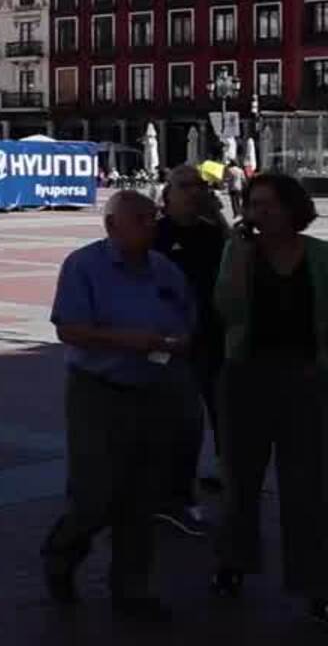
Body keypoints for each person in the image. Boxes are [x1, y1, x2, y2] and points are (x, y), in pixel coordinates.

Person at [41, 189, 197, 621]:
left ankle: (132, 592)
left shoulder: (164, 268)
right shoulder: (84, 266)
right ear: (113, 226)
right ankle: (62, 552)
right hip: (98, 390)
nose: (152, 227)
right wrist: (126, 340)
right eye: (142, 220)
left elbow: (186, 314)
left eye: (153, 218)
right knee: (96, 494)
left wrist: (182, 340)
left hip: (152, 389)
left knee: (142, 496)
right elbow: (69, 329)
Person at [211, 171, 328, 619]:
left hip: (307, 379)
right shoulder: (238, 252)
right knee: (240, 478)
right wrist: (240, 254)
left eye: (267, 205)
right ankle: (233, 562)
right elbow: (227, 308)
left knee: (308, 484)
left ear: (291, 209)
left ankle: (315, 580)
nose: (257, 213)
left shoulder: (319, 256)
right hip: (246, 376)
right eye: (253, 205)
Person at [153, 163, 229, 537]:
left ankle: (226, 472)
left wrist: (218, 216)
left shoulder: (213, 233)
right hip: (167, 343)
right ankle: (174, 494)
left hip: (212, 338)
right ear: (167, 196)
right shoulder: (155, 234)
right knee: (179, 421)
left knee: (223, 409)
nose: (195, 191)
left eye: (199, 185)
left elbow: (233, 270)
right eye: (186, 186)